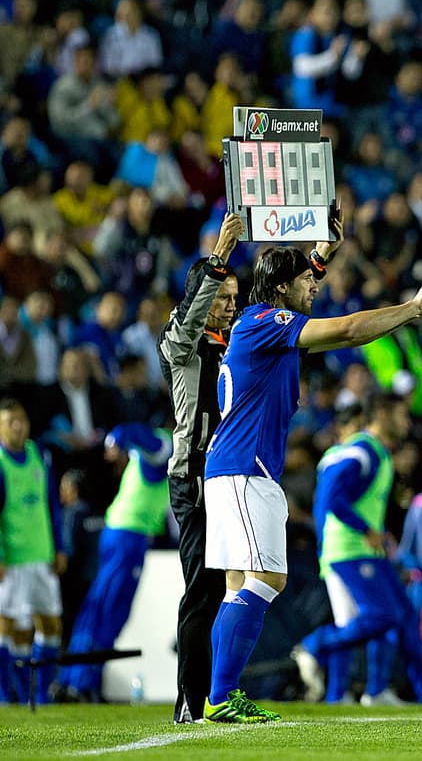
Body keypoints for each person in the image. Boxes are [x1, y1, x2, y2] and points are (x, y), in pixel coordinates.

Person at [199, 235, 422, 724]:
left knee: (237, 585)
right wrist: (411, 309)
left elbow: (330, 322)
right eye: (307, 281)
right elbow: (349, 328)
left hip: (234, 469)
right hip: (245, 469)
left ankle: (221, 695)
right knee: (267, 578)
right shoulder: (266, 322)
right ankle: (221, 695)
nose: (315, 287)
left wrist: (319, 256)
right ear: (282, 287)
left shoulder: (261, 324)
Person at [293, 394, 422, 707]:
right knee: (381, 616)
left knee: (403, 615)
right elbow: (330, 499)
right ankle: (315, 648)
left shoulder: (379, 453)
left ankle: (414, 693)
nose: (407, 423)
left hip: (367, 551)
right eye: (402, 415)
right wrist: (365, 529)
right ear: (383, 414)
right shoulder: (361, 452)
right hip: (348, 551)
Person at [157, 211, 248, 724]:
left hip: (227, 478)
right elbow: (189, 323)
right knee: (203, 589)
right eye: (222, 296)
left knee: (226, 587)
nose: (231, 305)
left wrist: (318, 263)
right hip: (192, 479)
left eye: (234, 297)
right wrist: (220, 255)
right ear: (200, 295)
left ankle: (217, 694)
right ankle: (190, 701)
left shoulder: (231, 343)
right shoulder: (180, 344)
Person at [56, 424, 173, 701]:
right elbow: (134, 433)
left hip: (123, 534)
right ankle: (80, 685)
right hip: (127, 537)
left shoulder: (147, 454)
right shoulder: (164, 445)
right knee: (109, 611)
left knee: (99, 609)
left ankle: (75, 681)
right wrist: (117, 438)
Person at [0, 399, 65, 705]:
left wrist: (60, 547)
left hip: (42, 554)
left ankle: (40, 693)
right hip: (12, 559)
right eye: (10, 421)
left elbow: (52, 503)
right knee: (7, 627)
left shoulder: (38, 454)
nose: (18, 426)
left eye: (21, 420)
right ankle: (7, 696)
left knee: (51, 624)